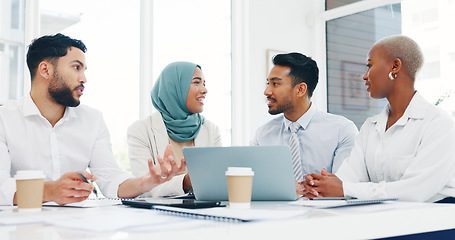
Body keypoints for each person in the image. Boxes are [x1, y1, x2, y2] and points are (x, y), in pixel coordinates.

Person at [0, 33, 185, 206]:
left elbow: (110, 179)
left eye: (84, 70)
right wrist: (49, 191)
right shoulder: (4, 118)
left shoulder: (92, 120)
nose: (84, 79)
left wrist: (146, 182)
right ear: (45, 69)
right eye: (76, 67)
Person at [303, 35, 455, 203]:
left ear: (395, 66)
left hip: (437, 222)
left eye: (369, 66)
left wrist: (344, 188)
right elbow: (347, 179)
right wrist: (320, 186)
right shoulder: (371, 126)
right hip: (387, 220)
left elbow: (415, 192)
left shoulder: (438, 123)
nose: (364, 76)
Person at [251, 52, 358, 194]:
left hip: (327, 214)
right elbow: (254, 183)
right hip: (276, 212)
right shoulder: (262, 134)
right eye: (268, 83)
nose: (266, 91)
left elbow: (343, 186)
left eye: (275, 84)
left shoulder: (342, 130)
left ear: (300, 89)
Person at [128, 62, 222, 197]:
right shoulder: (140, 130)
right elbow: (144, 188)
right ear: (174, 88)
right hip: (158, 215)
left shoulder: (211, 130)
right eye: (196, 82)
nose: (204, 90)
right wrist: (185, 181)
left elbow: (217, 181)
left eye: (204, 84)